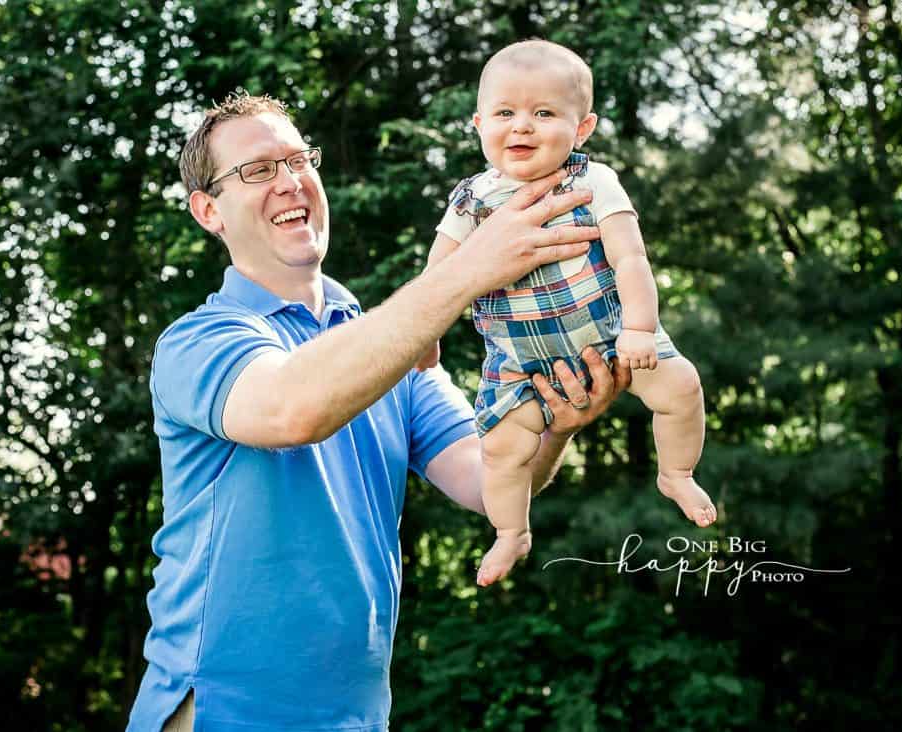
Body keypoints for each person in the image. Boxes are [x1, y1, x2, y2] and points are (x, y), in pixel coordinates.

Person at [126, 91, 632, 732]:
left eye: (297, 160)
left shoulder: (389, 351)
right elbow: (292, 410)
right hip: (223, 714)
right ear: (208, 211)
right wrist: (469, 268)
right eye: (257, 170)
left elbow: (494, 481)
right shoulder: (197, 342)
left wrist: (554, 422)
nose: (289, 182)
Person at [415, 40, 717, 588]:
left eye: (544, 113)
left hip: (609, 336)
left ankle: (676, 472)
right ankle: (511, 532)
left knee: (682, 388)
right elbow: (437, 278)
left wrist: (639, 329)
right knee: (502, 450)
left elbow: (630, 257)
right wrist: (424, 334)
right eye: (505, 113)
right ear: (480, 123)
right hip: (518, 362)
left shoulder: (593, 181)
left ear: (582, 129)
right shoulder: (470, 199)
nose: (522, 126)